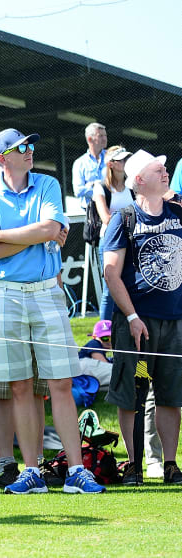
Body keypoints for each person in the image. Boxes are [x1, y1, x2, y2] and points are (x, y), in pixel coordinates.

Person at [0, 128, 105, 494]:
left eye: (31, 144)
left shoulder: (46, 183)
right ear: (3, 158)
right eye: (21, 148)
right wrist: (38, 235)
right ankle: (31, 471)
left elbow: (49, 228)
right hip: (4, 296)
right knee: (18, 387)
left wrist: (5, 234)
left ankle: (77, 470)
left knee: (61, 384)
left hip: (47, 291)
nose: (30, 151)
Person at [101, 149, 182, 486]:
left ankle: (170, 464)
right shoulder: (124, 218)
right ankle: (133, 465)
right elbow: (111, 274)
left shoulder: (180, 212)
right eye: (158, 169)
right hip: (137, 325)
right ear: (139, 180)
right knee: (133, 393)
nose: (166, 173)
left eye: (165, 169)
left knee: (171, 395)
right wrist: (130, 317)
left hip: (175, 323)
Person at [92, 146, 134, 320]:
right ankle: (103, 334)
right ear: (111, 164)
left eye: (126, 159)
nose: (126, 162)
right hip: (110, 243)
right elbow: (106, 218)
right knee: (109, 291)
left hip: (132, 241)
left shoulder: (133, 184)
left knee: (131, 285)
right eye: (122, 160)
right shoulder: (100, 187)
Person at [72, 122, 108, 207]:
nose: (105, 139)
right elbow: (78, 191)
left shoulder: (111, 158)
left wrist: (92, 185)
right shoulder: (79, 163)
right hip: (90, 213)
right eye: (100, 136)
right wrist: (102, 191)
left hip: (111, 208)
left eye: (105, 135)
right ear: (89, 139)